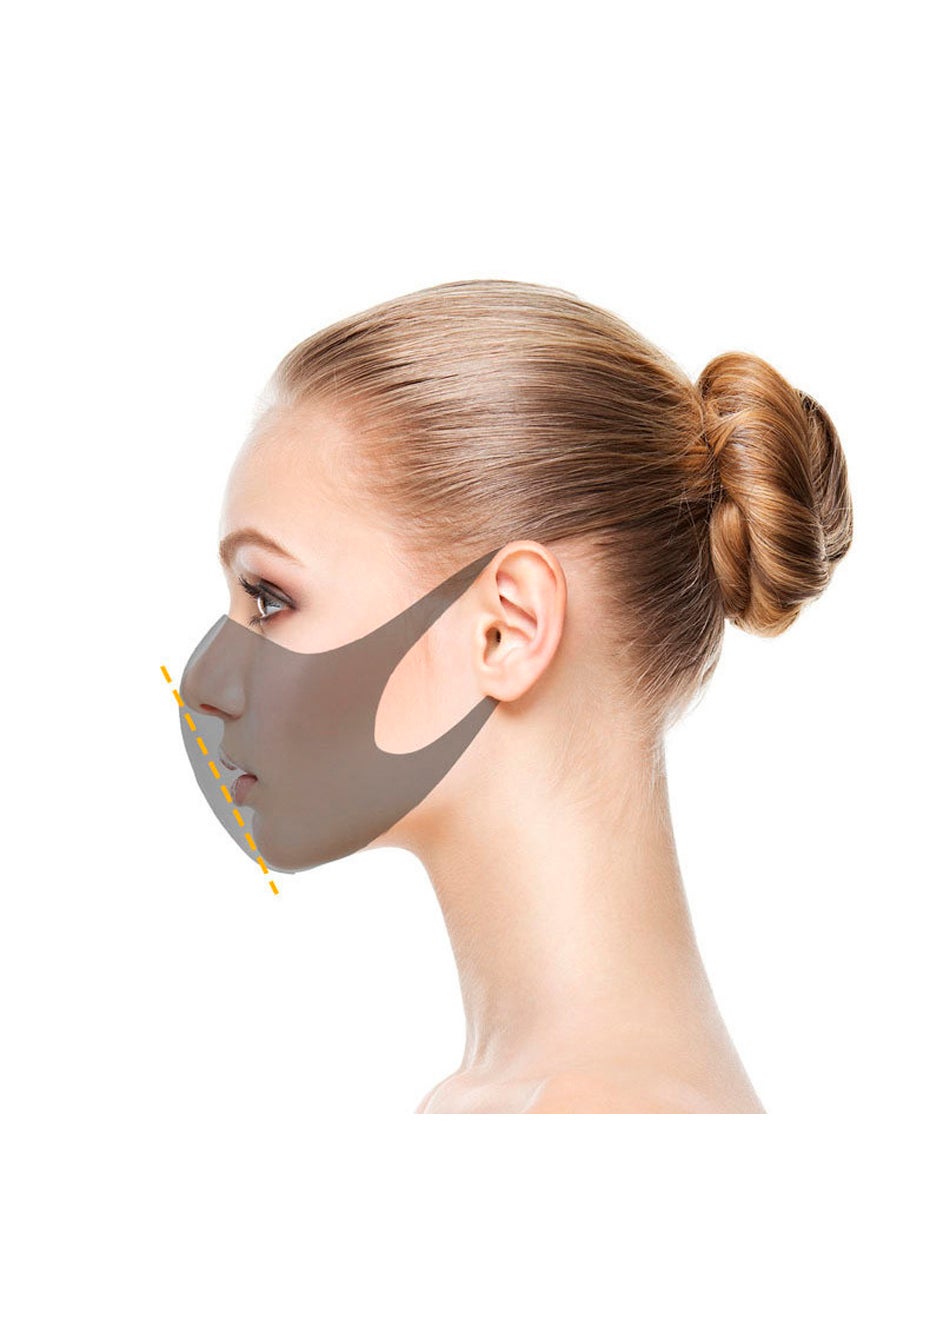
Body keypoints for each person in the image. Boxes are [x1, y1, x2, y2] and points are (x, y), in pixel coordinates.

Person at [186, 278, 853, 1113]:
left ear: (507, 628)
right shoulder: (511, 1104)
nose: (206, 683)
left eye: (270, 597)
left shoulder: (596, 1121)